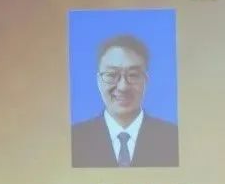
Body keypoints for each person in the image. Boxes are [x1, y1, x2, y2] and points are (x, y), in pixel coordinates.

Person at [71, 34, 179, 168]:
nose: (123, 87)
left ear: (146, 80)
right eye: (111, 75)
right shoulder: (74, 139)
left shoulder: (174, 138)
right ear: (98, 81)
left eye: (133, 75)